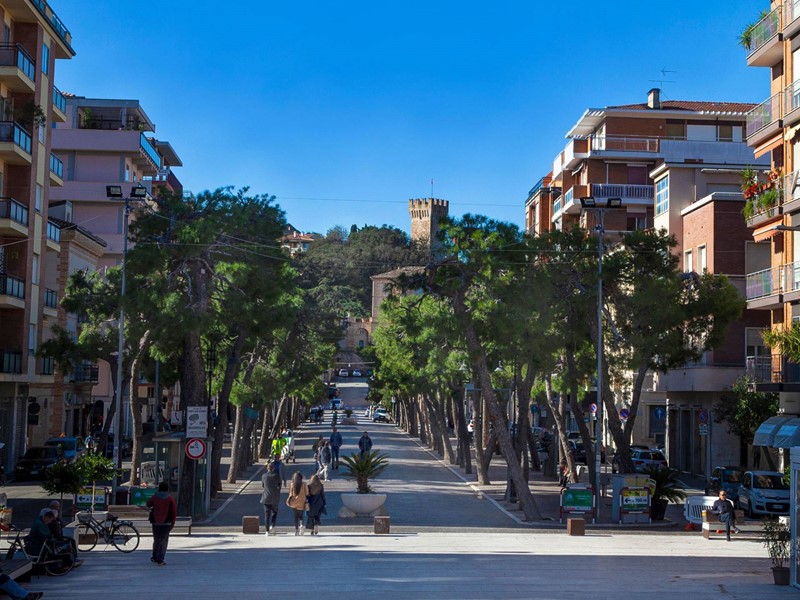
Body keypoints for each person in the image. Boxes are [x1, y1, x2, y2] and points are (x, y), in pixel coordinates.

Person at [146, 482, 177, 565]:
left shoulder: (155, 497)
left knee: (156, 540)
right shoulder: (170, 498)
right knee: (163, 540)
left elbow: (148, 504)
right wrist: (173, 523)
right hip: (167, 522)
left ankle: (155, 556)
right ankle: (160, 558)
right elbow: (174, 512)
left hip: (156, 522)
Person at [47, 501, 81, 566]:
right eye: (57, 506)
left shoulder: (54, 515)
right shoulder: (52, 515)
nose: (58, 508)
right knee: (69, 542)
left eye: (58, 506)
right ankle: (72, 560)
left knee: (71, 541)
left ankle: (74, 558)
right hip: (56, 538)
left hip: (58, 536)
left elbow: (61, 525)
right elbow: (57, 528)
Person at [260, 462, 282, 535]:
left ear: (267, 468)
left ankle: (267, 531)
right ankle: (273, 525)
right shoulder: (276, 476)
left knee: (267, 515)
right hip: (274, 498)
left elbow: (263, 485)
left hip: (266, 498)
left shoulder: (264, 476)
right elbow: (279, 485)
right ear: (273, 468)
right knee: (274, 513)